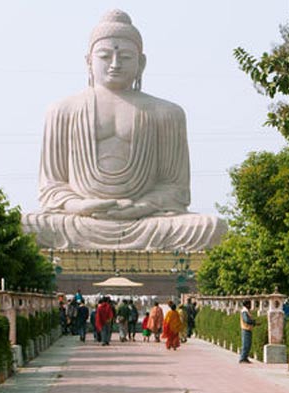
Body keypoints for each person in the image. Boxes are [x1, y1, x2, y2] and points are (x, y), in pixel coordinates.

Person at [21, 9, 225, 251]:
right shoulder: (62, 110)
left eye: (126, 57)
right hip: (81, 220)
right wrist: (80, 206)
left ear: (142, 63)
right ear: (88, 61)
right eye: (105, 56)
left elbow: (175, 188)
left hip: (147, 220)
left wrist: (142, 207)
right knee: (24, 226)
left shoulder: (167, 113)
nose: (115, 65)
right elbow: (52, 187)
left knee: (212, 227)